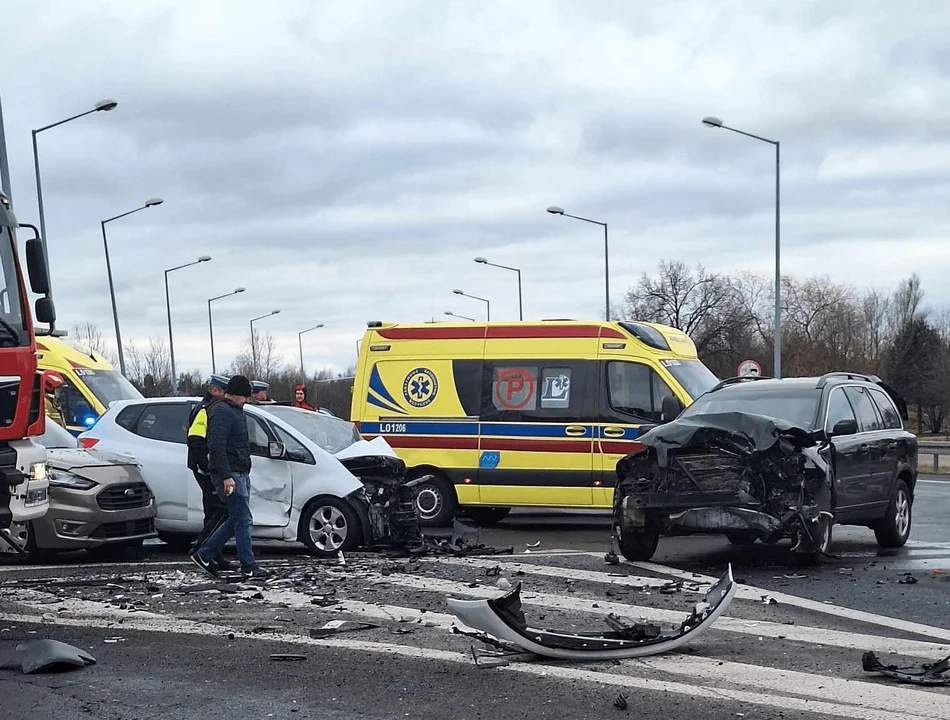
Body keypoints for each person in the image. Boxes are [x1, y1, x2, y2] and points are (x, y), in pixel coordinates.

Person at [191, 375, 272, 579]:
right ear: (237, 395)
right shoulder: (222, 412)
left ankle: (205, 553)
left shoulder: (232, 411)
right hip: (231, 474)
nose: (247, 400)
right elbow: (216, 446)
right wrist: (226, 476)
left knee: (236, 519)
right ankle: (248, 565)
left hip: (238, 471)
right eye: (245, 396)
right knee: (243, 520)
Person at [186, 374, 234, 569]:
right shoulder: (206, 410)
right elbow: (196, 439)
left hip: (206, 467)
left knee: (212, 510)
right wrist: (205, 466)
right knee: (223, 509)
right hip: (206, 468)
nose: (227, 397)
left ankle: (214, 554)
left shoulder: (209, 408)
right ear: (215, 391)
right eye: (224, 392)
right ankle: (201, 549)